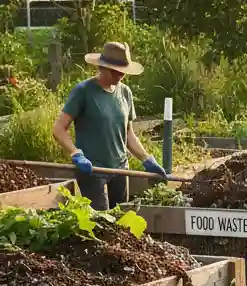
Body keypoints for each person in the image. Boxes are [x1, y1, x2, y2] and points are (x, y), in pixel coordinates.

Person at [52, 41, 167, 210]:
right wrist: (75, 153)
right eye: (115, 72)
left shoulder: (125, 92)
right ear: (102, 67)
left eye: (123, 72)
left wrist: (146, 159)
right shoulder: (83, 91)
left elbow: (128, 134)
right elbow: (59, 128)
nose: (120, 76)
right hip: (93, 170)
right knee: (102, 223)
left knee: (122, 222)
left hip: (121, 168)